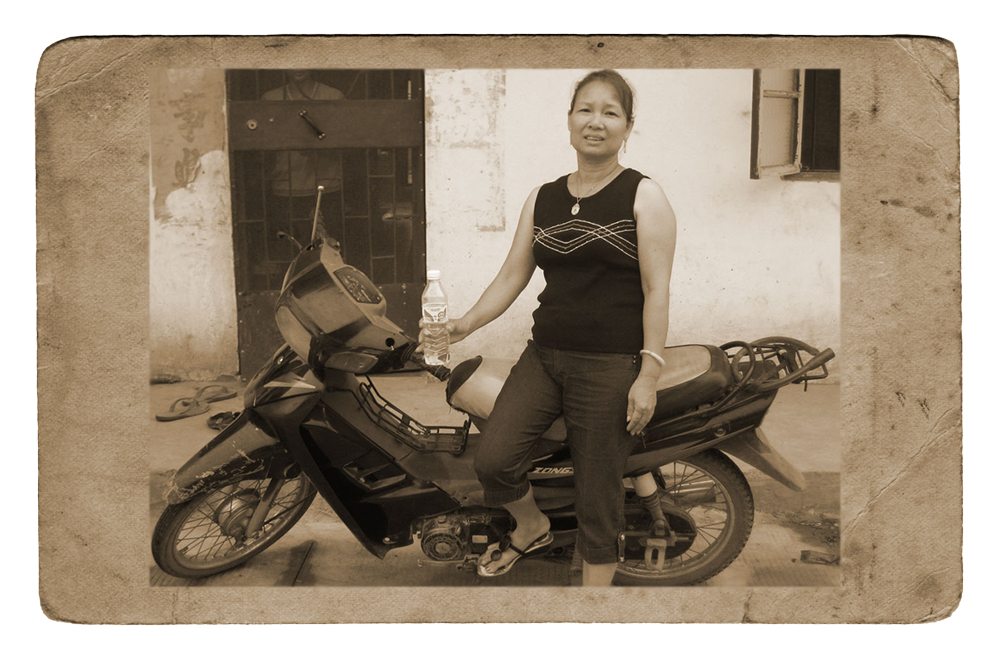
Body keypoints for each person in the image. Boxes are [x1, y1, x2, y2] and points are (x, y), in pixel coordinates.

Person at [423, 70, 676, 587]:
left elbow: (658, 290)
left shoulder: (644, 196)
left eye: (611, 112)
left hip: (610, 366)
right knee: (494, 460)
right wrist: (463, 325)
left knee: (598, 492)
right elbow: (515, 272)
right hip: (545, 357)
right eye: (585, 109)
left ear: (628, 126)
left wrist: (648, 373)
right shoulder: (543, 198)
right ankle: (532, 524)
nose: (596, 122)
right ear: (568, 120)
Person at [262, 70, 345, 241]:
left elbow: (345, 139)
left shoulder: (333, 96)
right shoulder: (271, 99)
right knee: (293, 245)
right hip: (286, 184)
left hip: (327, 183)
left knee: (329, 247)